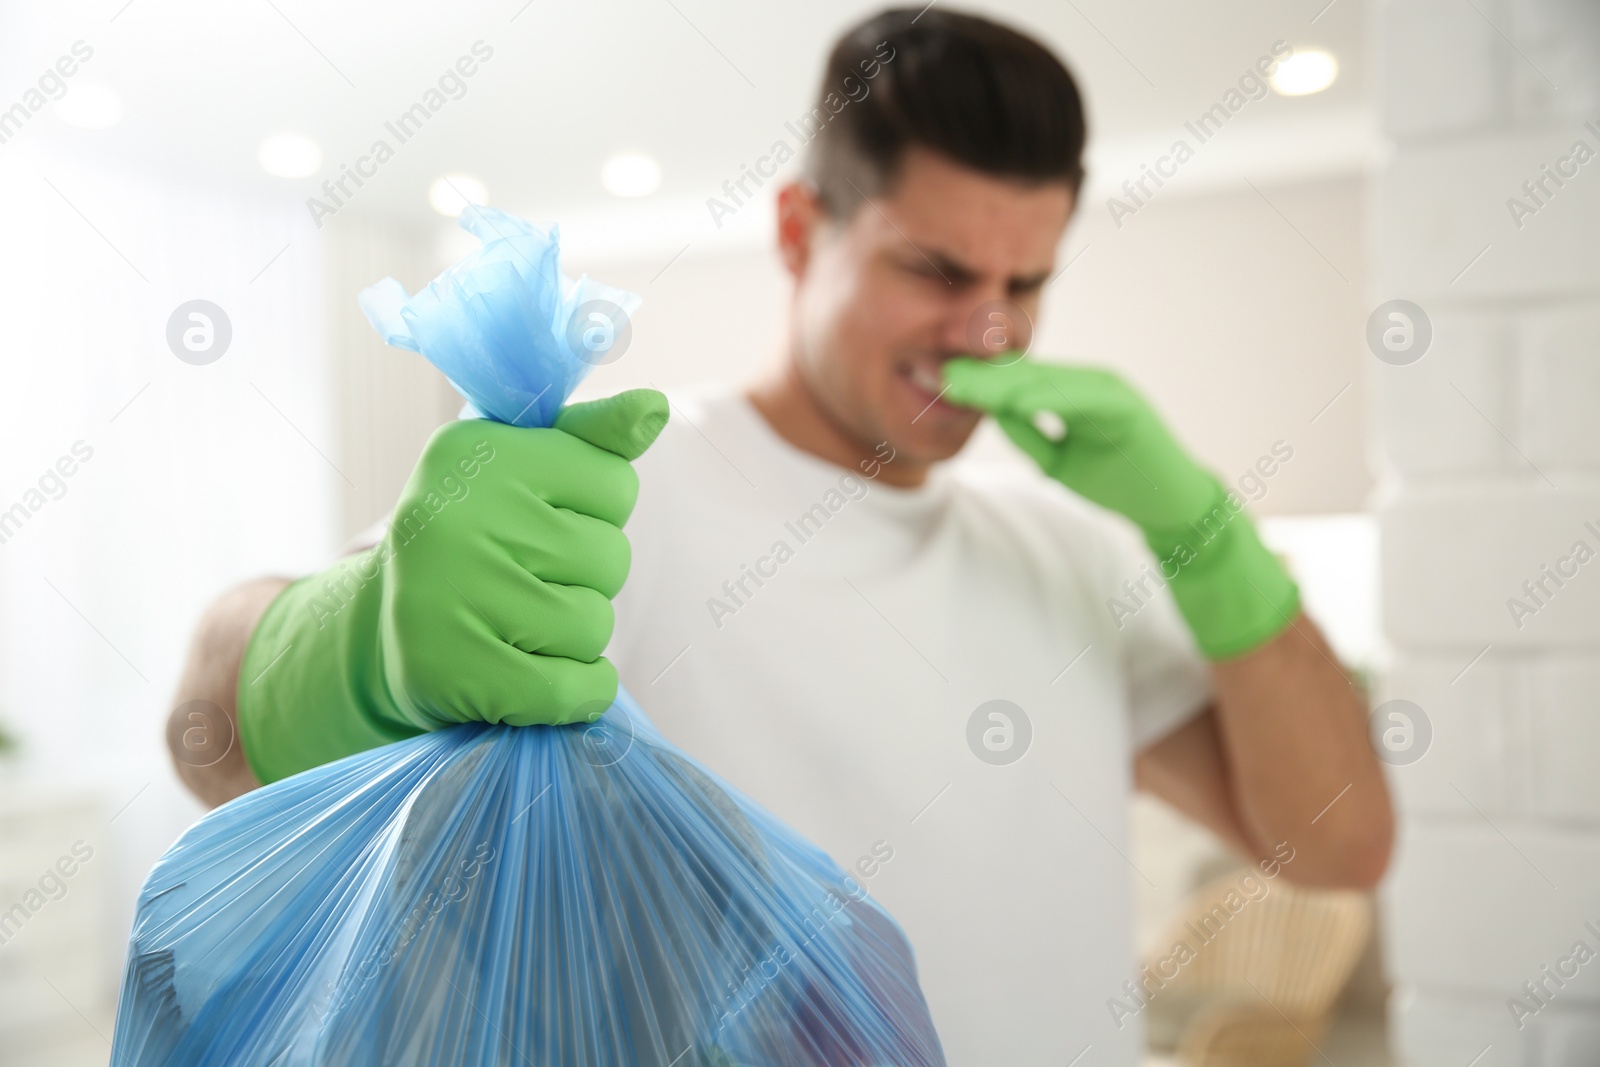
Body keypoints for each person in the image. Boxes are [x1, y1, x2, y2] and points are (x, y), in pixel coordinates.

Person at [170, 8, 1392, 1062]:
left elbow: (1339, 841)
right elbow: (209, 732)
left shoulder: (1069, 554)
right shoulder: (616, 487)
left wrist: (1205, 531)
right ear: (802, 230)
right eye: (937, 268)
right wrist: (355, 643)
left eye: (1024, 285)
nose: (988, 331)